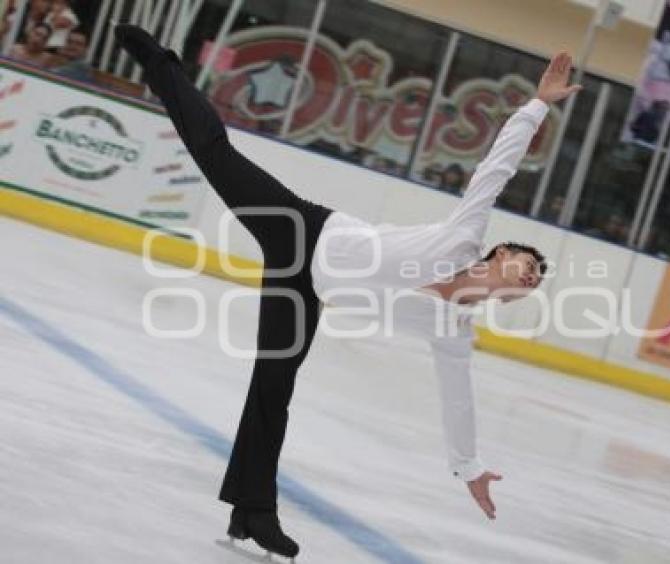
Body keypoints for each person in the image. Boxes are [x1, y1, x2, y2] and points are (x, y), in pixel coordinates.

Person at [114, 24, 579, 560]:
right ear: (500, 255)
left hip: (305, 289)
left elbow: (458, 400)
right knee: (214, 152)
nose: (529, 275)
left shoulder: (453, 329)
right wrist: (537, 106)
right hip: (303, 229)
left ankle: (251, 513)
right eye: (528, 264)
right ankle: (159, 61)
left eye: (535, 281)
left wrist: (470, 468)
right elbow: (495, 169)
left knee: (273, 389)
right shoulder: (464, 236)